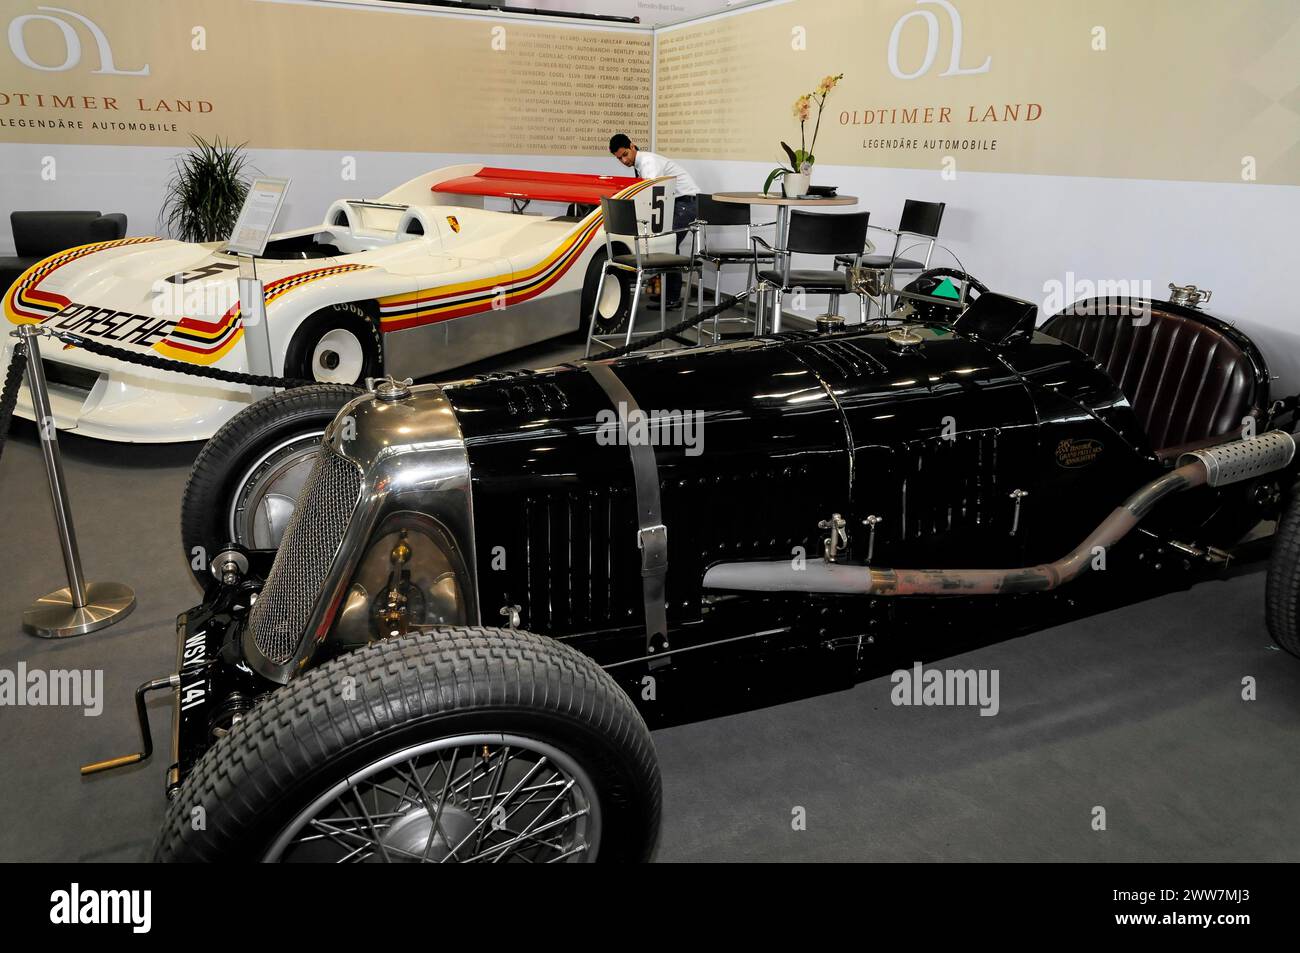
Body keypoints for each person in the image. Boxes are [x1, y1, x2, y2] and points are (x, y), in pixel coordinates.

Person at [609, 133, 699, 307]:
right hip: (679, 204)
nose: (624, 161)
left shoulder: (648, 163)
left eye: (625, 155)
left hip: (685, 204)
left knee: (668, 247)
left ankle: (671, 297)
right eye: (619, 158)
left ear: (632, 146)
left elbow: (650, 194)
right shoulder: (641, 163)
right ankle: (669, 295)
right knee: (670, 247)